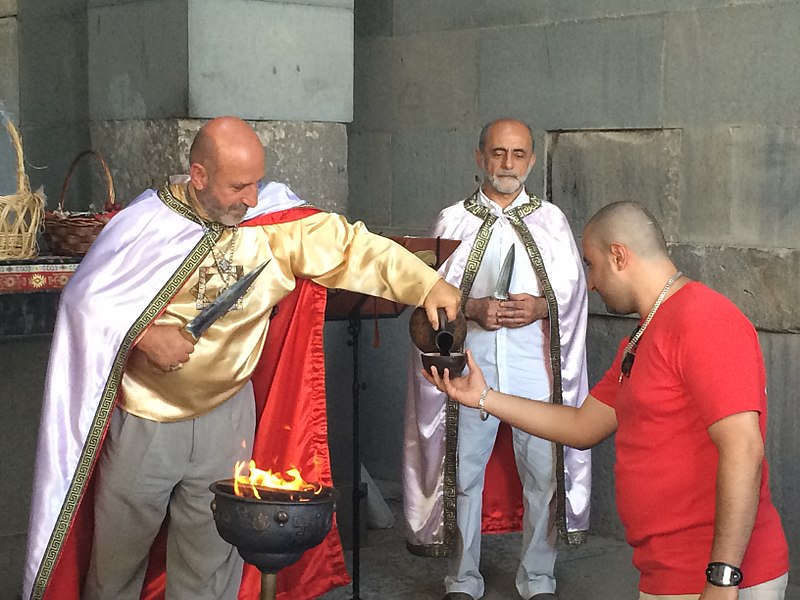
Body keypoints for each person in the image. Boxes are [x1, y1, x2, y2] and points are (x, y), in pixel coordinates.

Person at [23, 116, 462, 600]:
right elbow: (85, 301)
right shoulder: (146, 222)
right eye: (239, 186)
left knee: (211, 562)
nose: (252, 198)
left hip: (227, 417)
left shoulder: (273, 226)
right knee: (117, 565)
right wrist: (144, 336)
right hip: (145, 418)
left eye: (257, 182)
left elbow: (351, 247)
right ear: (199, 175)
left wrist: (427, 284)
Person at [427, 201, 790, 600]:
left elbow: (743, 447)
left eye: (592, 264)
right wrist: (482, 396)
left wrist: (722, 579)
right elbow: (583, 426)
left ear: (619, 256)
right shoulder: (645, 332)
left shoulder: (703, 319)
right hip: (667, 573)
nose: (591, 283)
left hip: (718, 578)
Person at [403, 118, 591, 600]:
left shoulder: (552, 220)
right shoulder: (452, 220)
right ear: (480, 157)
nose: (508, 164)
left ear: (531, 159)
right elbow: (427, 296)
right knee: (463, 470)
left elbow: (575, 296)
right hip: (470, 365)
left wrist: (541, 306)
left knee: (543, 472)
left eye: (519, 154)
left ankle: (539, 577)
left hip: (536, 366)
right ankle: (462, 579)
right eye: (498, 153)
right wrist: (472, 308)